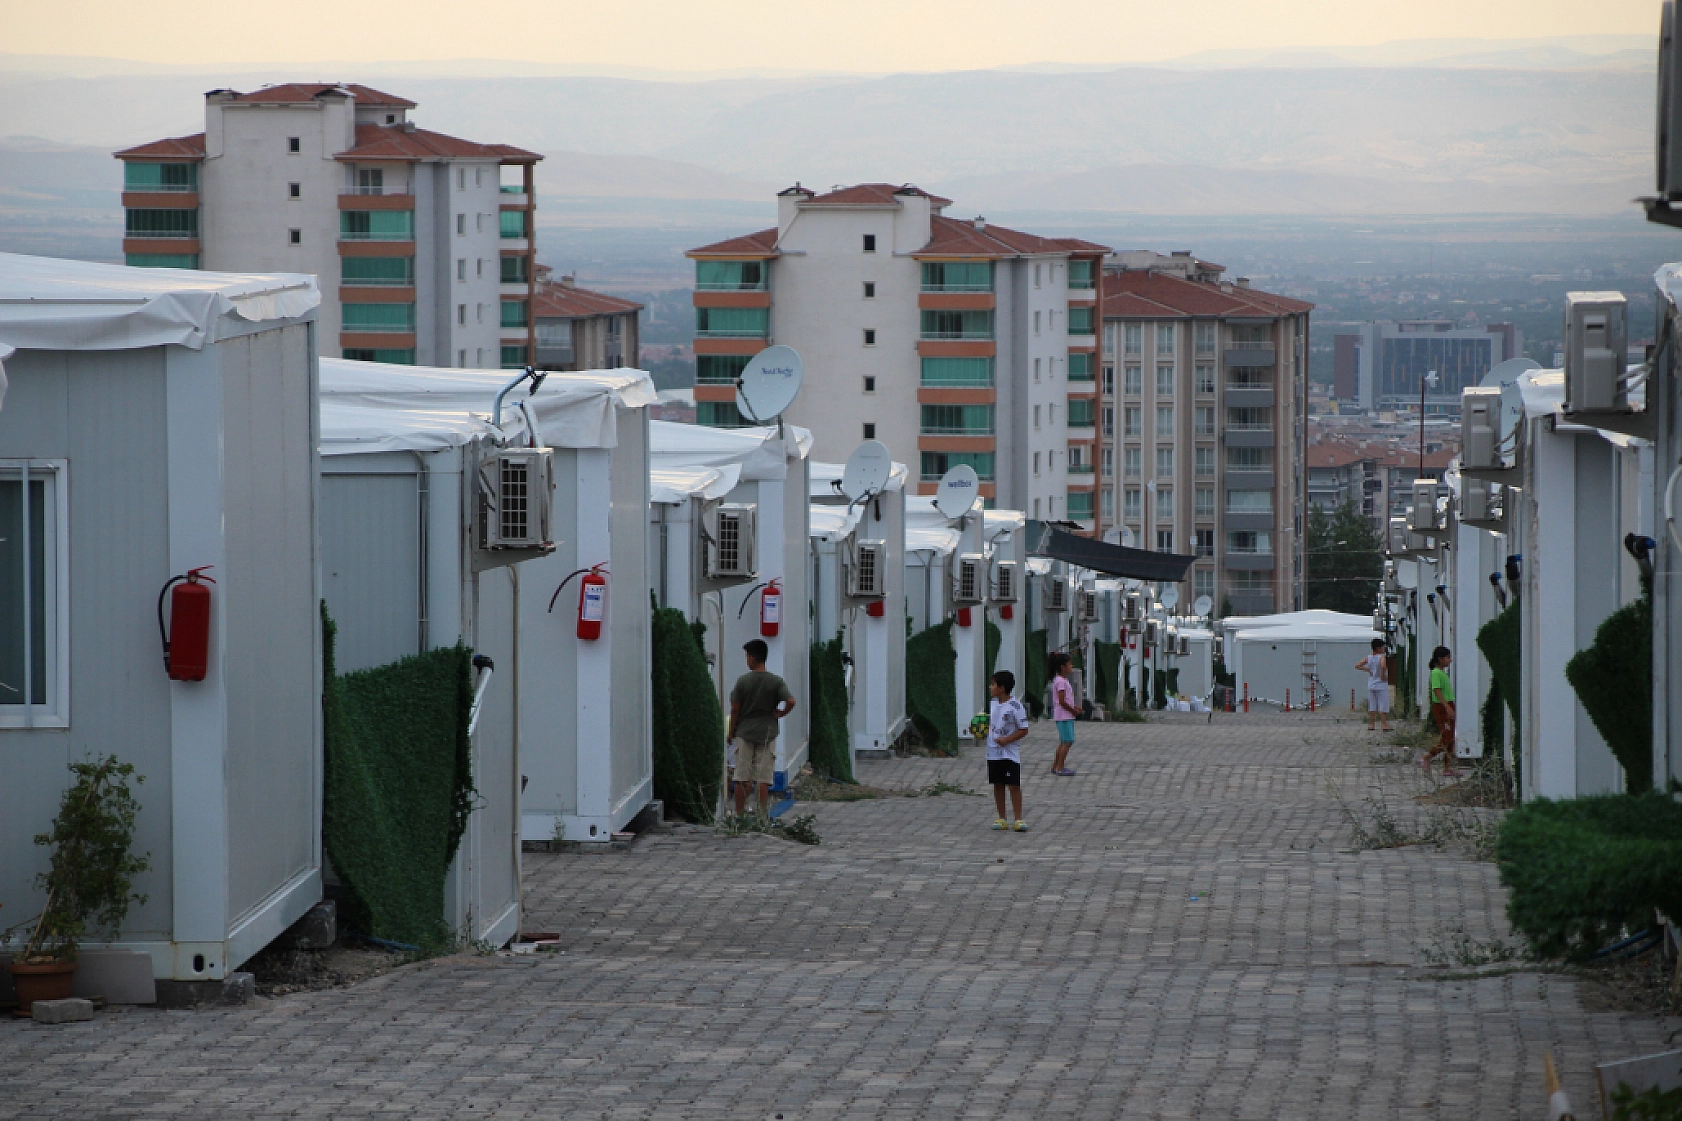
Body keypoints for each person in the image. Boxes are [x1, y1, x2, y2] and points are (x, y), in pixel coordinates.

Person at [728, 639, 795, 816]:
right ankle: (762, 814)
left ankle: (740, 814)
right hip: (767, 733)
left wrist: (731, 732)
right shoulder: (776, 681)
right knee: (763, 778)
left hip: (745, 732)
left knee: (742, 776)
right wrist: (781, 713)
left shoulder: (743, 681)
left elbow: (735, 709)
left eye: (747, 656)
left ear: (752, 658)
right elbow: (791, 701)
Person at [987, 669, 1031, 831]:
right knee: (997, 784)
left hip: (1010, 753)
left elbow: (1024, 729)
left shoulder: (1015, 706)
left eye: (993, 685)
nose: (990, 687)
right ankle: (1001, 818)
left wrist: (1007, 740)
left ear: (1002, 688)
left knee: (1013, 785)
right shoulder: (992, 704)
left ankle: (1018, 818)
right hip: (993, 751)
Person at [1424, 646, 1459, 777]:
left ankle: (1447, 767)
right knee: (1447, 737)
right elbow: (1437, 690)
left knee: (1451, 738)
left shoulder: (1442, 673)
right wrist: (1447, 706)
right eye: (1448, 657)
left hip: (1448, 704)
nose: (1450, 660)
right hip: (1441, 706)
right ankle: (1428, 756)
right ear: (1440, 659)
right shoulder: (1436, 673)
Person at [1049, 652, 1079, 776]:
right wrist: (1072, 711)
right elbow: (1061, 701)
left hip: (1064, 715)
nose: (1071, 666)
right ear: (1063, 667)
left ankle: (1056, 766)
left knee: (1063, 742)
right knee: (1067, 742)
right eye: (1070, 664)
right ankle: (1060, 767)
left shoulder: (1061, 680)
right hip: (1064, 716)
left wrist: (1074, 707)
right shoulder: (1061, 681)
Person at [1355, 638, 1392, 733]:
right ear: (1378, 648)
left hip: (1371, 683)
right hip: (1381, 684)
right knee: (1383, 704)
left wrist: (1368, 670)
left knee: (1372, 705)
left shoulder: (1369, 657)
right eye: (1382, 647)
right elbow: (1383, 666)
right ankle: (1384, 724)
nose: (1383, 648)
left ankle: (1371, 724)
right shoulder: (1381, 657)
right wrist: (1383, 675)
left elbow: (1357, 665)